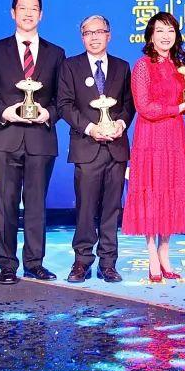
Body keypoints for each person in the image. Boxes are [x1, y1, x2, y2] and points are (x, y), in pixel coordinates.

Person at [0, 0, 65, 284]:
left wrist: (47, 114)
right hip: (6, 137)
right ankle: (6, 264)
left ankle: (34, 263)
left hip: (40, 138)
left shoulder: (56, 53)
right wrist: (6, 112)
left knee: (36, 204)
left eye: (34, 8)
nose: (28, 13)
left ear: (41, 14)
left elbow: (62, 99)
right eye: (23, 8)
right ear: (13, 13)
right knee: (5, 204)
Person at [57, 15, 135, 284]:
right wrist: (91, 128)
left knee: (112, 208)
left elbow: (128, 104)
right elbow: (65, 105)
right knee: (86, 208)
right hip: (87, 145)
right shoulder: (70, 66)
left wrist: (121, 124)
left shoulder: (122, 67)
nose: (94, 37)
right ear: (82, 37)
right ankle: (82, 261)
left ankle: (108, 263)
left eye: (99, 32)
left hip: (116, 147)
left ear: (109, 35)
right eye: (88, 33)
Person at [121, 13, 185, 282]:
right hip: (150, 138)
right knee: (151, 190)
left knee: (171, 190)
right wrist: (178, 107)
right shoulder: (143, 66)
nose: (166, 36)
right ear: (150, 36)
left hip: (174, 138)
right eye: (160, 31)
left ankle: (165, 251)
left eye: (171, 31)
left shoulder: (181, 65)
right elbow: (144, 107)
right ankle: (152, 253)